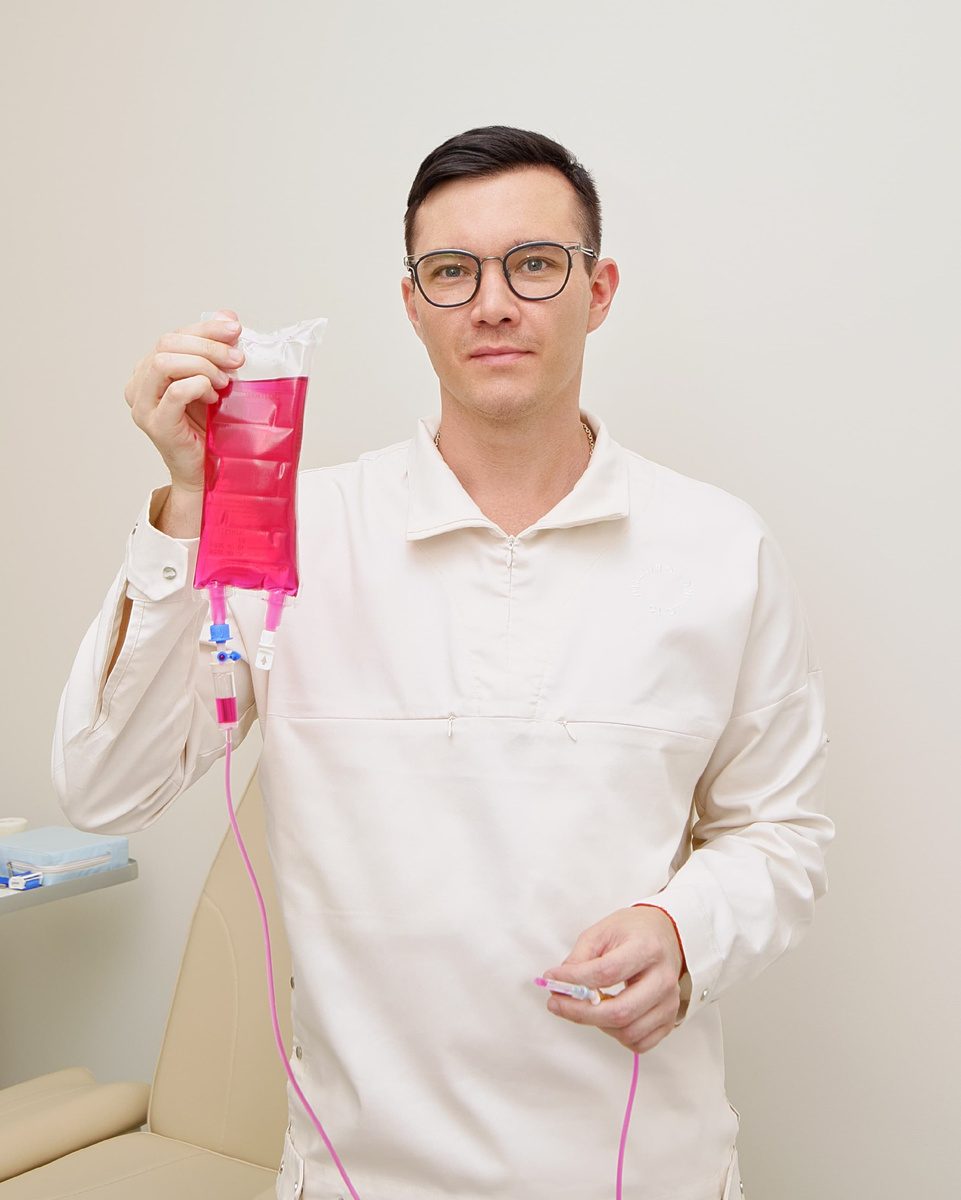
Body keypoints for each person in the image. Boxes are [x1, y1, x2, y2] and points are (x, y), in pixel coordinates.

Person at [54, 126, 833, 1200]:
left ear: (598, 290)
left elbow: (780, 832)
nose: (493, 303)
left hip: (639, 1169)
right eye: (453, 271)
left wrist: (685, 930)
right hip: (363, 1176)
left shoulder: (717, 549)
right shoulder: (297, 534)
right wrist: (190, 502)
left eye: (534, 264)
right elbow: (105, 786)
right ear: (412, 303)